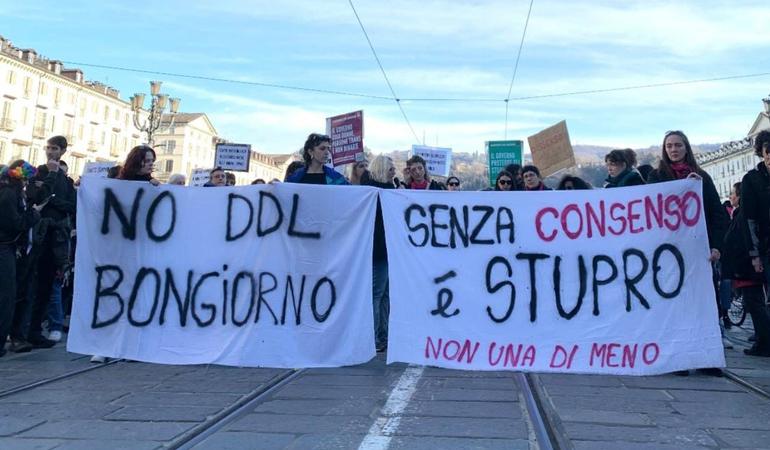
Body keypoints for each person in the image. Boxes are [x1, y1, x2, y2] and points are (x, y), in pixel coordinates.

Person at [648, 130, 729, 375]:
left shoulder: (701, 177)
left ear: (686, 148)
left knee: (703, 302)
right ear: (665, 150)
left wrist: (716, 246)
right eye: (669, 146)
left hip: (698, 252)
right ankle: (677, 358)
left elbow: (716, 214)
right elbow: (649, 209)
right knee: (673, 304)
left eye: (678, 145)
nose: (674, 149)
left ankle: (705, 357)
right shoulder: (656, 176)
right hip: (668, 252)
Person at [16, 136, 77, 349]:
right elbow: (35, 197)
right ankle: (21, 331)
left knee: (47, 286)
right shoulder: (37, 172)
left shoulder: (67, 181)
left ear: (62, 152)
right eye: (48, 148)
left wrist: (52, 198)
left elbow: (71, 205)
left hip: (56, 239)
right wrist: (49, 188)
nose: (50, 152)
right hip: (37, 236)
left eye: (55, 149)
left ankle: (34, 330)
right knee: (28, 285)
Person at [0, 161, 41, 357]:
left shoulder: (10, 192)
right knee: (6, 297)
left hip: (7, 247)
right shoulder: (9, 194)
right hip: (4, 248)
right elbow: (15, 223)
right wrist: (33, 215)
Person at [738, 129, 770, 356]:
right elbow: (748, 218)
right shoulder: (752, 179)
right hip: (764, 245)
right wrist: (755, 253)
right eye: (769, 152)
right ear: (762, 153)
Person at [364, 155, 397, 352]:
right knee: (378, 294)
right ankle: (376, 337)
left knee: (385, 294)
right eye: (391, 167)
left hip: (389, 249)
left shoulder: (391, 190)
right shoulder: (371, 192)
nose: (394, 170)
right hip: (378, 248)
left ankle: (383, 335)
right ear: (382, 168)